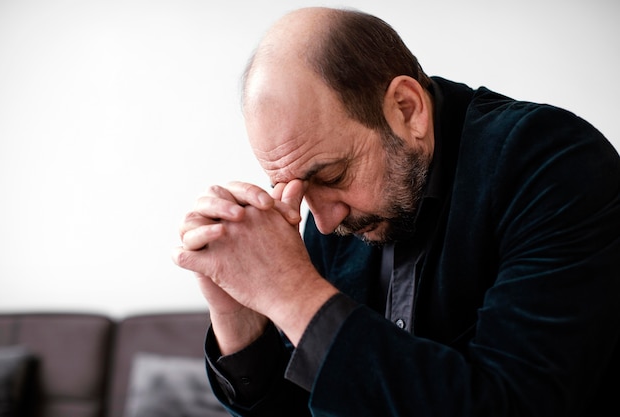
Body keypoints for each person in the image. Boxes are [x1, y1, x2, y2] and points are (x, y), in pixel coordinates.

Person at [172, 7, 620, 416]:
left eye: (331, 176)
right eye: (294, 188)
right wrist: (240, 319)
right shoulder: (335, 215)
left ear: (407, 109)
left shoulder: (552, 162)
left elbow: (514, 403)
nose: (323, 223)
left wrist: (292, 293)